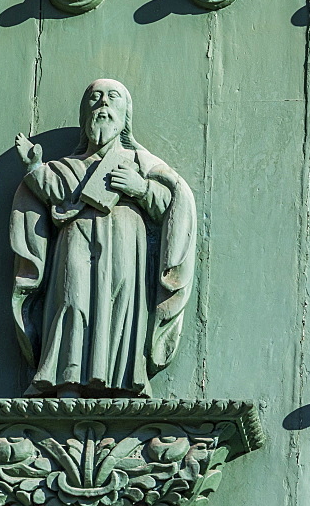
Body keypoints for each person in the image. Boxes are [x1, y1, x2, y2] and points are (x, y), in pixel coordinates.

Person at [10, 79, 196, 398]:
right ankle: (65, 380)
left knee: (123, 304)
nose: (103, 106)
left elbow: (173, 202)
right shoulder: (68, 167)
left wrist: (142, 188)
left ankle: (125, 382)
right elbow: (53, 190)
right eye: (95, 100)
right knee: (72, 299)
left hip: (126, 242)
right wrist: (34, 168)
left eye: (112, 99)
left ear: (125, 115)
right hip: (76, 239)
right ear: (85, 115)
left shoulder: (141, 162)